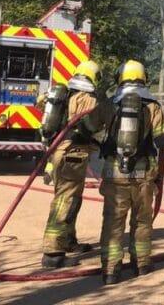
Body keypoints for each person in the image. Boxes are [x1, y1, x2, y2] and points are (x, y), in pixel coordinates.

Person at [99, 60, 164, 285]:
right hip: (143, 175)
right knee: (142, 221)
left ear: (120, 78)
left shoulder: (111, 104)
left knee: (113, 222)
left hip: (115, 174)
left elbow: (92, 130)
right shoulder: (152, 105)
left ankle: (111, 270)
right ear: (144, 77)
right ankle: (141, 264)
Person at [41, 59, 109, 269]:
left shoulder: (61, 93)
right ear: (94, 77)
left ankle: (69, 241)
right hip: (75, 151)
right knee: (66, 199)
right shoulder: (88, 98)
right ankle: (52, 251)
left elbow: (40, 101)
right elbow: (100, 122)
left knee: (69, 196)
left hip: (57, 149)